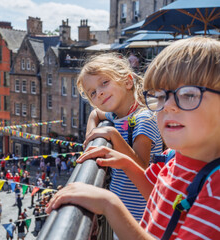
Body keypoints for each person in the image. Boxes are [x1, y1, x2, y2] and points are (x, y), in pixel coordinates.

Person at [46, 37, 220, 239]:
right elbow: (155, 194)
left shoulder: (214, 189)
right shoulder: (174, 157)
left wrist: (109, 205)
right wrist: (126, 164)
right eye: (162, 96)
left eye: (188, 95)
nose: (168, 106)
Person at [76, 52, 163, 221]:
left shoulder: (144, 118)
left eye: (104, 83)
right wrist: (90, 139)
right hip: (121, 215)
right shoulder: (116, 115)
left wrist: (113, 135)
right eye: (92, 93)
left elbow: (142, 168)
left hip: (141, 218)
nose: (99, 93)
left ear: (128, 81)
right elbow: (95, 115)